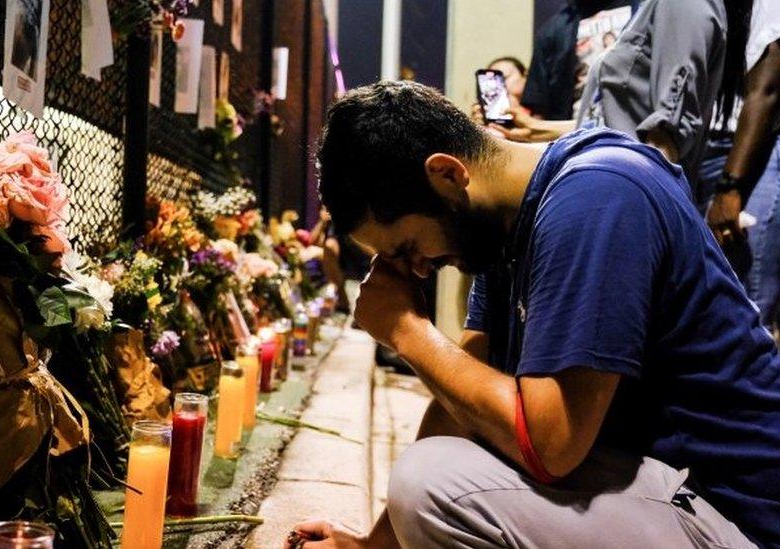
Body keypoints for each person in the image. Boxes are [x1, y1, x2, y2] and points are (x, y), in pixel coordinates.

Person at [290, 81, 780, 548]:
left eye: (410, 247)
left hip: (734, 517)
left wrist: (406, 331)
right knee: (444, 462)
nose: (418, 268)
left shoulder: (593, 197)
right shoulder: (506, 229)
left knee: (431, 487)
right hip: (666, 491)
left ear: (447, 174)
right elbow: (463, 407)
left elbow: (550, 446)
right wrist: (376, 544)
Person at [496, 0, 750, 183]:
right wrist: (533, 130)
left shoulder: (681, 4)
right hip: (608, 181)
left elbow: (667, 134)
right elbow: (620, 123)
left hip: (622, 192)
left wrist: (632, 210)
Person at [705, 0, 780, 331]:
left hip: (752, 155)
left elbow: (766, 89)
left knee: (749, 309)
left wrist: (730, 187)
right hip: (717, 153)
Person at [522, 0, 635, 121]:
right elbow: (539, 107)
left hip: (637, 128)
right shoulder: (553, 30)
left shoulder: (646, 10)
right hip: (577, 130)